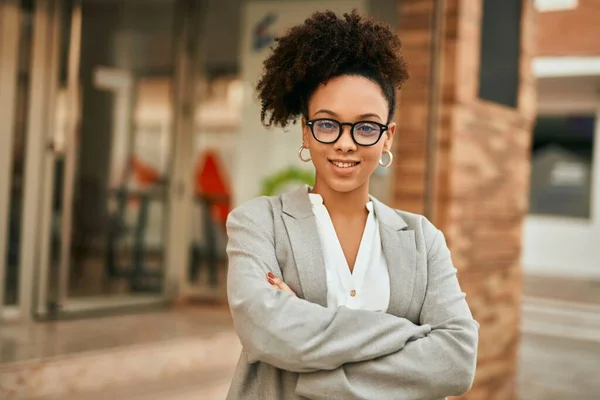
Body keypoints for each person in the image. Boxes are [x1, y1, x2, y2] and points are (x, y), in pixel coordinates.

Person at [225, 10, 479, 400]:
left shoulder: (422, 240)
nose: (346, 143)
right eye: (327, 124)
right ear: (306, 132)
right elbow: (265, 332)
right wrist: (411, 336)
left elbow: (456, 361)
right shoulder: (258, 224)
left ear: (387, 137)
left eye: (365, 127)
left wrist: (313, 369)